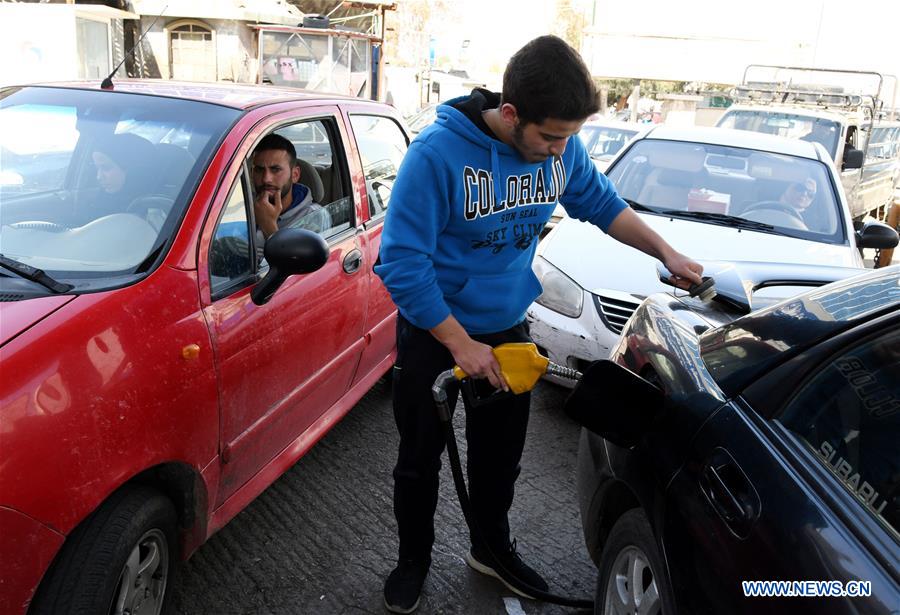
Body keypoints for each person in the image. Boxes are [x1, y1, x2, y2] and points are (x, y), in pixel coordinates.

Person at [374, 35, 703, 613]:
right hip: (434, 331)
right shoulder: (436, 156)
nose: (560, 150)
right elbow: (402, 262)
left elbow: (602, 203)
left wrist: (666, 252)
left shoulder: (561, 149)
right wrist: (459, 344)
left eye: (569, 137)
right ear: (510, 114)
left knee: (500, 459)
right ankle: (412, 562)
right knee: (419, 461)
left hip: (506, 327)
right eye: (551, 137)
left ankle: (490, 550)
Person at [251, 133, 331, 258]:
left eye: (275, 169)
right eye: (259, 170)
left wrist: (269, 225)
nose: (266, 179)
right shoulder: (244, 207)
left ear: (295, 175)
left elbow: (296, 267)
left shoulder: (314, 216)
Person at [89, 133, 156, 221]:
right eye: (97, 168)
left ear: (131, 169)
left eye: (106, 168)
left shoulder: (157, 210)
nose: (99, 176)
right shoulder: (102, 201)